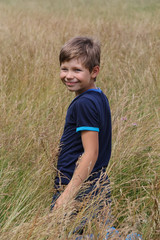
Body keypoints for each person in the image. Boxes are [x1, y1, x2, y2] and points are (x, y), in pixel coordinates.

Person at [51, 36, 112, 233]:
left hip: (79, 189)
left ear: (94, 71)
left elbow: (91, 153)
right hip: (96, 186)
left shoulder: (84, 103)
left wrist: (67, 196)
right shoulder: (98, 96)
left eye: (77, 70)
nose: (69, 76)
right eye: (64, 68)